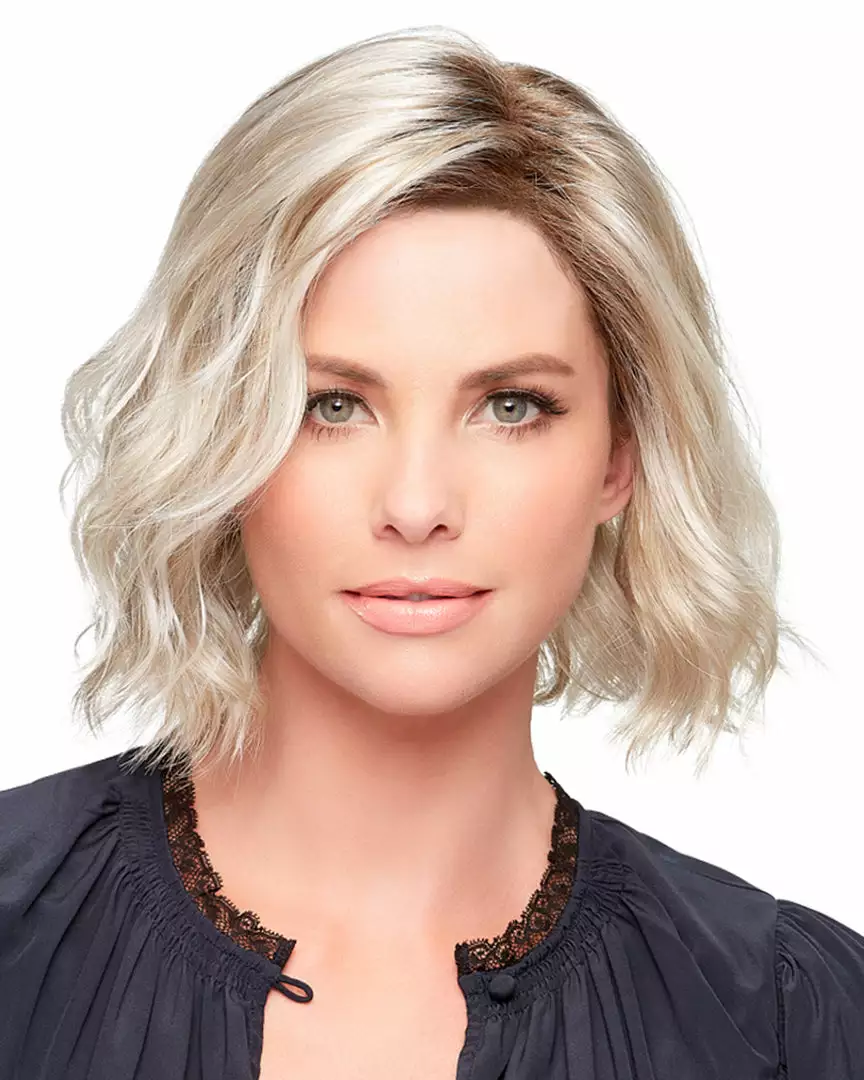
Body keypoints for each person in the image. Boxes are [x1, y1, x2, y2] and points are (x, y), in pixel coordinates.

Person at [0, 23, 861, 1080]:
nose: (416, 506)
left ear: (621, 456)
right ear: (219, 434)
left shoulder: (787, 1022)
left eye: (512, 405)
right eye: (331, 405)